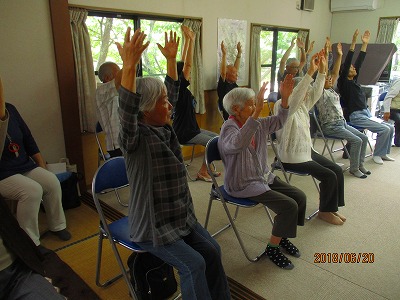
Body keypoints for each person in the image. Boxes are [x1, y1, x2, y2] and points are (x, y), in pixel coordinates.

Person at [116, 28, 231, 299]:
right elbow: (126, 109)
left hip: (180, 216)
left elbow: (173, 90)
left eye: (167, 101)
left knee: (212, 251)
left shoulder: (164, 127)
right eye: (162, 102)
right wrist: (129, 66)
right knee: (194, 264)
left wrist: (172, 59)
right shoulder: (136, 137)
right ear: (144, 110)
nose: (169, 106)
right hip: (152, 227)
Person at [218, 76, 307, 270]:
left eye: (256, 104)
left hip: (261, 176)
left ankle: (280, 236)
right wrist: (256, 113)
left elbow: (280, 121)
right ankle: (272, 248)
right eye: (252, 105)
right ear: (236, 110)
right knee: (289, 206)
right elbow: (237, 145)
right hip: (242, 183)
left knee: (299, 197)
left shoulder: (256, 122)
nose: (257, 107)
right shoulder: (228, 128)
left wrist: (284, 99)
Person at [0, 76, 65, 299]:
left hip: (23, 165)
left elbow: (28, 138)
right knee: (32, 190)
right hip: (3, 174)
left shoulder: (11, 109)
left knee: (51, 181)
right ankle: (31, 239)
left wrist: (41, 163)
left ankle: (58, 225)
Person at [274, 50, 346, 226]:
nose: (306, 96)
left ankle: (331, 208)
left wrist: (321, 71)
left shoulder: (303, 106)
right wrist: (309, 73)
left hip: (307, 152)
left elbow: (315, 93)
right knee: (328, 176)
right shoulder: (283, 107)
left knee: (336, 170)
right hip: (291, 157)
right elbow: (298, 96)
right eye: (303, 92)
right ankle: (324, 212)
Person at [338, 29, 395, 165]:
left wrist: (364, 44)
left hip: (366, 113)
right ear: (345, 72)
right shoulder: (343, 83)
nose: (354, 68)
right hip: (356, 116)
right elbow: (348, 63)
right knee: (384, 129)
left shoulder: (354, 81)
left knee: (390, 127)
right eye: (351, 68)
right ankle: (377, 155)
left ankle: (383, 153)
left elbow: (360, 61)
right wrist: (353, 43)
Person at [315, 42, 370, 178]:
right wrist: (326, 54)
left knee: (363, 137)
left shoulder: (332, 90)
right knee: (357, 140)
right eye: (326, 78)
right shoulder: (319, 92)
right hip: (330, 126)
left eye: (330, 79)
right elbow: (325, 72)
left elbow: (334, 72)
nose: (329, 79)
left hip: (342, 123)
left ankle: (360, 165)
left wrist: (339, 55)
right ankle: (354, 168)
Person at [173, 25, 219, 182]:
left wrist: (187, 40)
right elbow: (186, 64)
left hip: (193, 129)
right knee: (214, 143)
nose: (190, 75)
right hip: (184, 133)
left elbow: (183, 63)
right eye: (188, 74)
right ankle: (203, 171)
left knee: (219, 138)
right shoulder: (177, 89)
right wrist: (191, 40)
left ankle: (207, 167)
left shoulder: (182, 89)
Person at [95, 61, 122, 158]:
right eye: (118, 73)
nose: (121, 76)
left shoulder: (118, 90)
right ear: (107, 78)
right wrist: (130, 62)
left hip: (127, 142)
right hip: (117, 145)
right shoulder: (101, 91)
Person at [217, 41, 242, 120]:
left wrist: (239, 53)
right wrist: (224, 54)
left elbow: (235, 69)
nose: (237, 75)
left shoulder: (233, 83)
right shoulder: (223, 84)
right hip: (230, 116)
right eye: (234, 74)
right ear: (227, 75)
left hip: (238, 112)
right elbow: (223, 72)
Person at [382, 78, 400, 147]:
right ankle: (398, 142)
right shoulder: (398, 82)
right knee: (399, 120)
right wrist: (386, 111)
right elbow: (388, 97)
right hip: (393, 109)